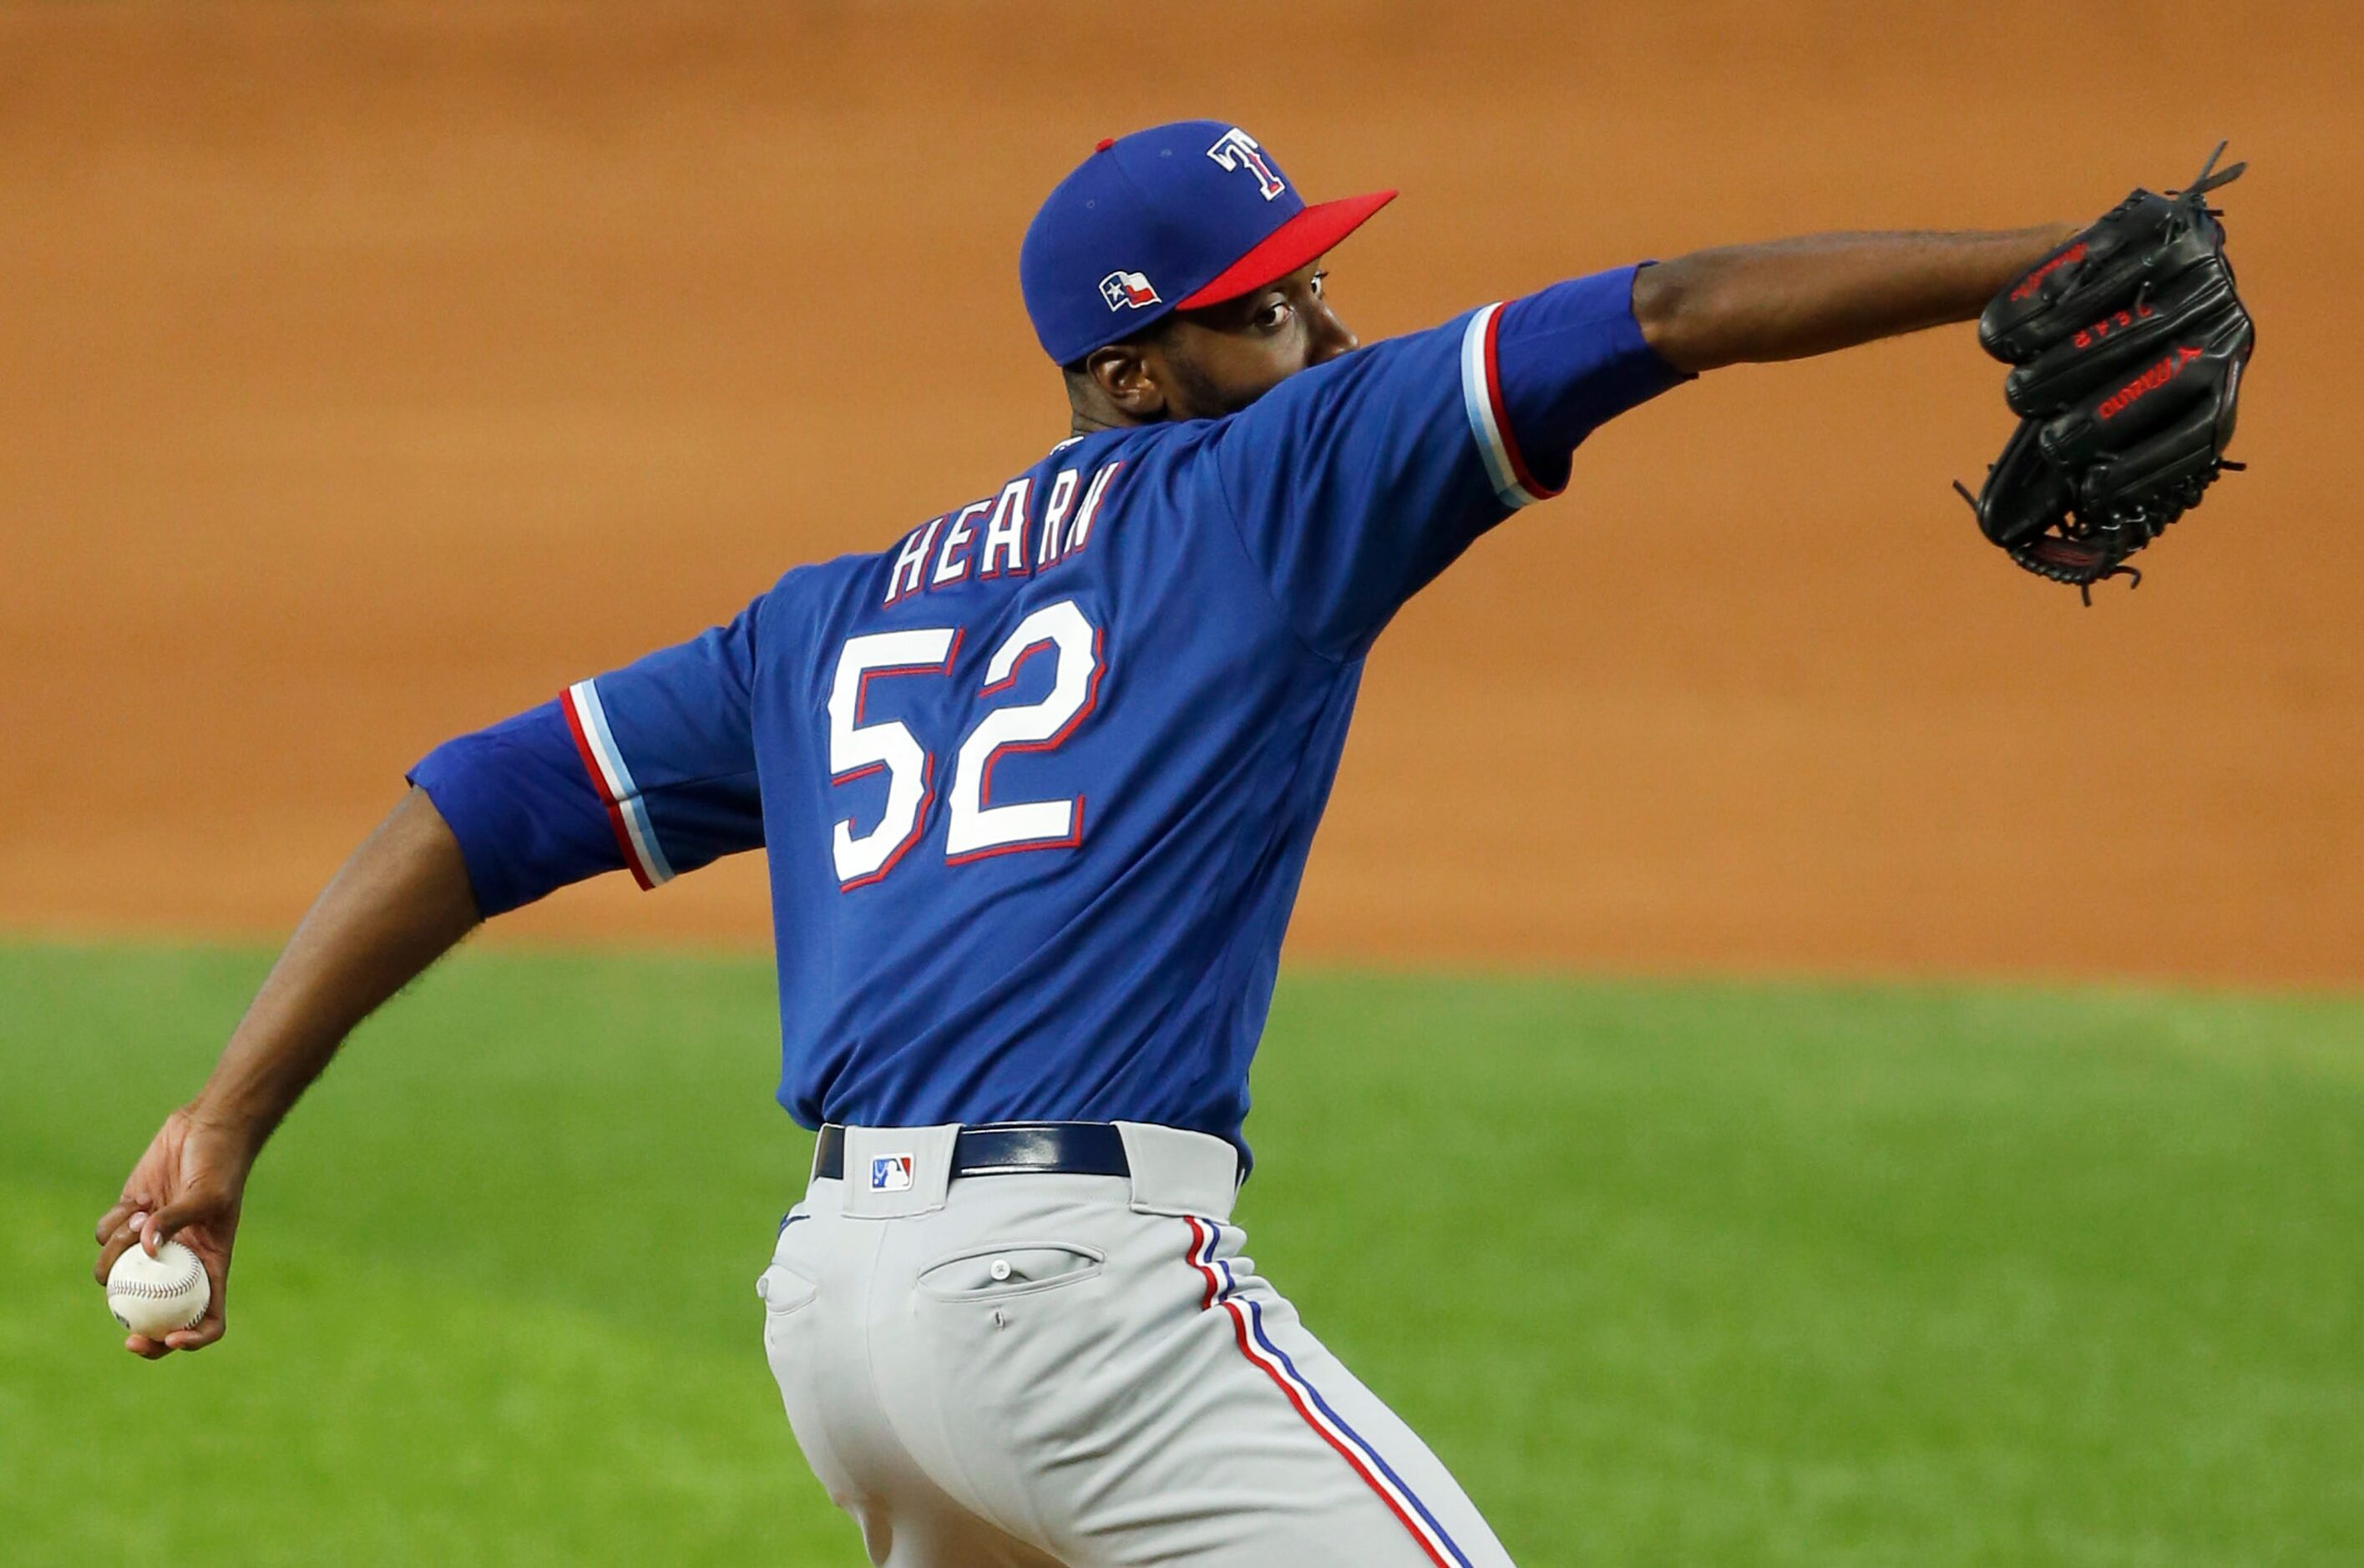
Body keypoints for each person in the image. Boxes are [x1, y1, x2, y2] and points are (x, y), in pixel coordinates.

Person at [94, 120, 2080, 1565]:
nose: (1322, 327)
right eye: (1265, 307)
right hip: (1073, 1305)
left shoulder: (829, 617)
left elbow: (488, 801)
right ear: (1136, 376)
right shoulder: (1274, 475)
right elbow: (1664, 312)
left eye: (1309, 280)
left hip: (842, 1326)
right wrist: (2039, 267)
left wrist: (228, 1117)